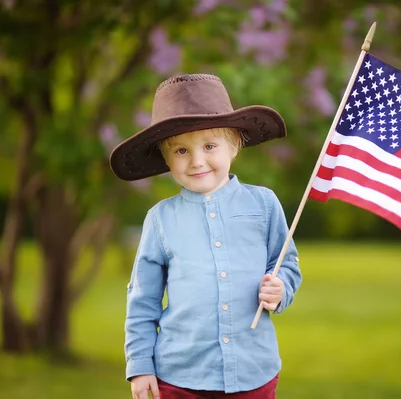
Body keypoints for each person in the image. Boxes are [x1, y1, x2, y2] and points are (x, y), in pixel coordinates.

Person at [110, 73, 302, 399]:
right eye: (181, 151)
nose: (197, 161)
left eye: (209, 146)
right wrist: (141, 365)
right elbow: (142, 301)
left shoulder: (264, 204)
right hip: (179, 377)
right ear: (165, 158)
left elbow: (286, 263)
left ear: (234, 146)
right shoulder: (160, 219)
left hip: (253, 373)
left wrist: (280, 287)